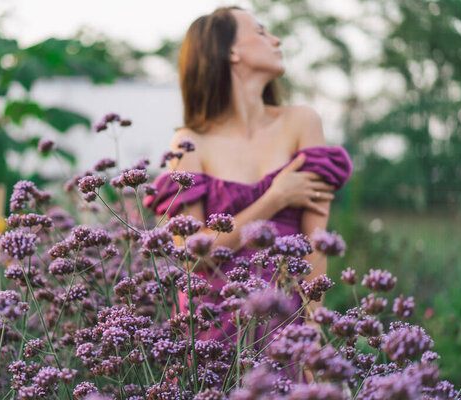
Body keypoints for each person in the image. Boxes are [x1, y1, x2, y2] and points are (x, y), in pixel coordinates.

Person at [143, 6, 353, 383]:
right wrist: (275, 198)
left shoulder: (302, 122)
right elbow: (192, 258)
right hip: (213, 327)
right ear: (231, 52)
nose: (276, 40)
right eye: (260, 32)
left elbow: (316, 244)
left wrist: (314, 327)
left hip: (285, 322)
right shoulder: (190, 144)